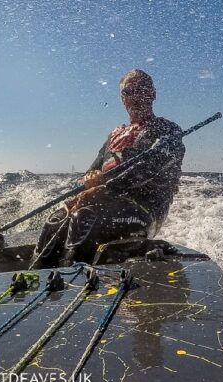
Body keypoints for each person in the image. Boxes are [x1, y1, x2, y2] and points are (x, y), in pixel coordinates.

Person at [31, 69, 185, 268]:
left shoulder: (167, 130)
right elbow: (92, 170)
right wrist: (90, 179)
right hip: (104, 202)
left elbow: (146, 170)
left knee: (84, 217)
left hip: (145, 208)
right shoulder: (115, 134)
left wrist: (103, 189)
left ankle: (72, 283)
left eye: (142, 89)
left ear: (153, 93)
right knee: (57, 218)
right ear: (122, 98)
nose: (136, 95)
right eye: (129, 91)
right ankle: (35, 279)